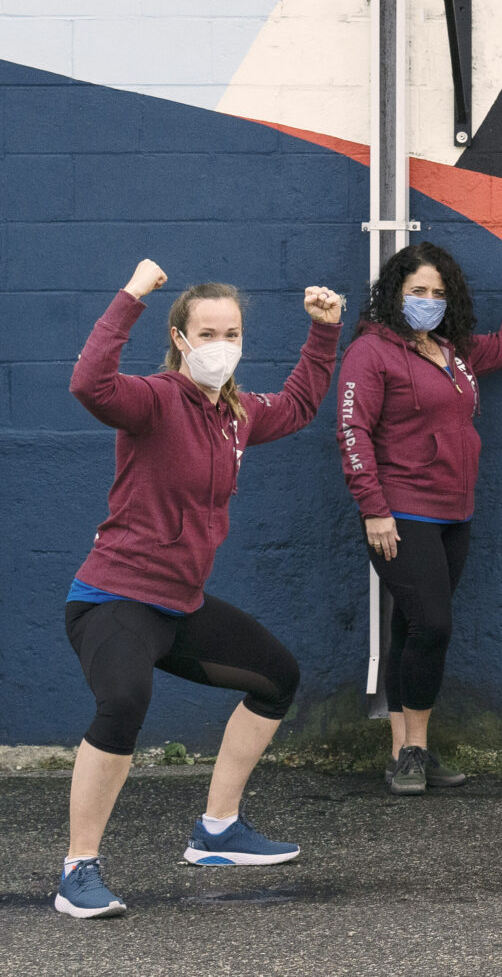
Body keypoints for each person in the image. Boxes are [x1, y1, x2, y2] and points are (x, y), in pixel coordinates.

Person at [54, 260, 344, 919]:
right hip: (113, 598)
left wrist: (323, 332)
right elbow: (88, 383)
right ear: (181, 339)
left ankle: (217, 829)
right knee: (124, 699)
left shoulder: (235, 414)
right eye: (207, 331)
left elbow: (297, 404)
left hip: (179, 605)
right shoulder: (154, 400)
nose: (221, 343)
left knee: (277, 677)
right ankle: (78, 869)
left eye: (232, 332)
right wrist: (131, 294)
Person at [336, 240, 502, 795]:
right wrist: (374, 509)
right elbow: (352, 431)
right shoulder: (371, 352)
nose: (428, 301)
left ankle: (409, 754)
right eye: (417, 292)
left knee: (412, 627)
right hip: (400, 512)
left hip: (454, 513)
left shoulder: (450, 351)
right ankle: (410, 750)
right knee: (433, 625)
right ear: (395, 294)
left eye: (437, 292)